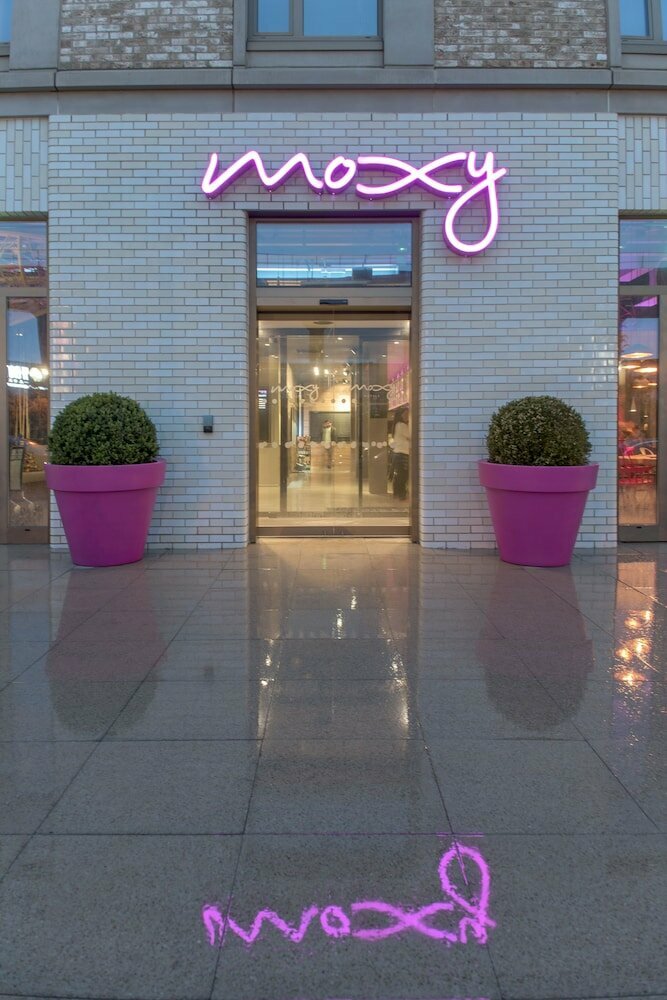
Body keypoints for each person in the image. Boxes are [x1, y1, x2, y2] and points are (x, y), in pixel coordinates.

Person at [391, 406, 410, 500]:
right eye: (405, 414)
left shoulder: (397, 425)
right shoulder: (402, 425)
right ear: (400, 415)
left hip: (398, 453)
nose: (407, 416)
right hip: (403, 453)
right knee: (403, 475)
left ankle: (397, 493)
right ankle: (401, 494)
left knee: (399, 475)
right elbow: (411, 435)